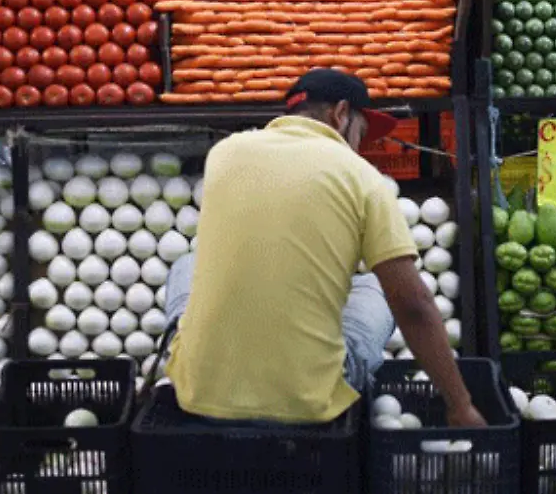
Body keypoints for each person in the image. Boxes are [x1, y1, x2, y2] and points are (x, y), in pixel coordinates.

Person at [162, 69, 485, 427]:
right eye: (362, 133)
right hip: (305, 401)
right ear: (341, 114)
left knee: (187, 264)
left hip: (198, 392)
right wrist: (460, 404)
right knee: (378, 285)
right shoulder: (360, 176)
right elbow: (413, 305)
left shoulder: (224, 153)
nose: (362, 146)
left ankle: (184, 350)